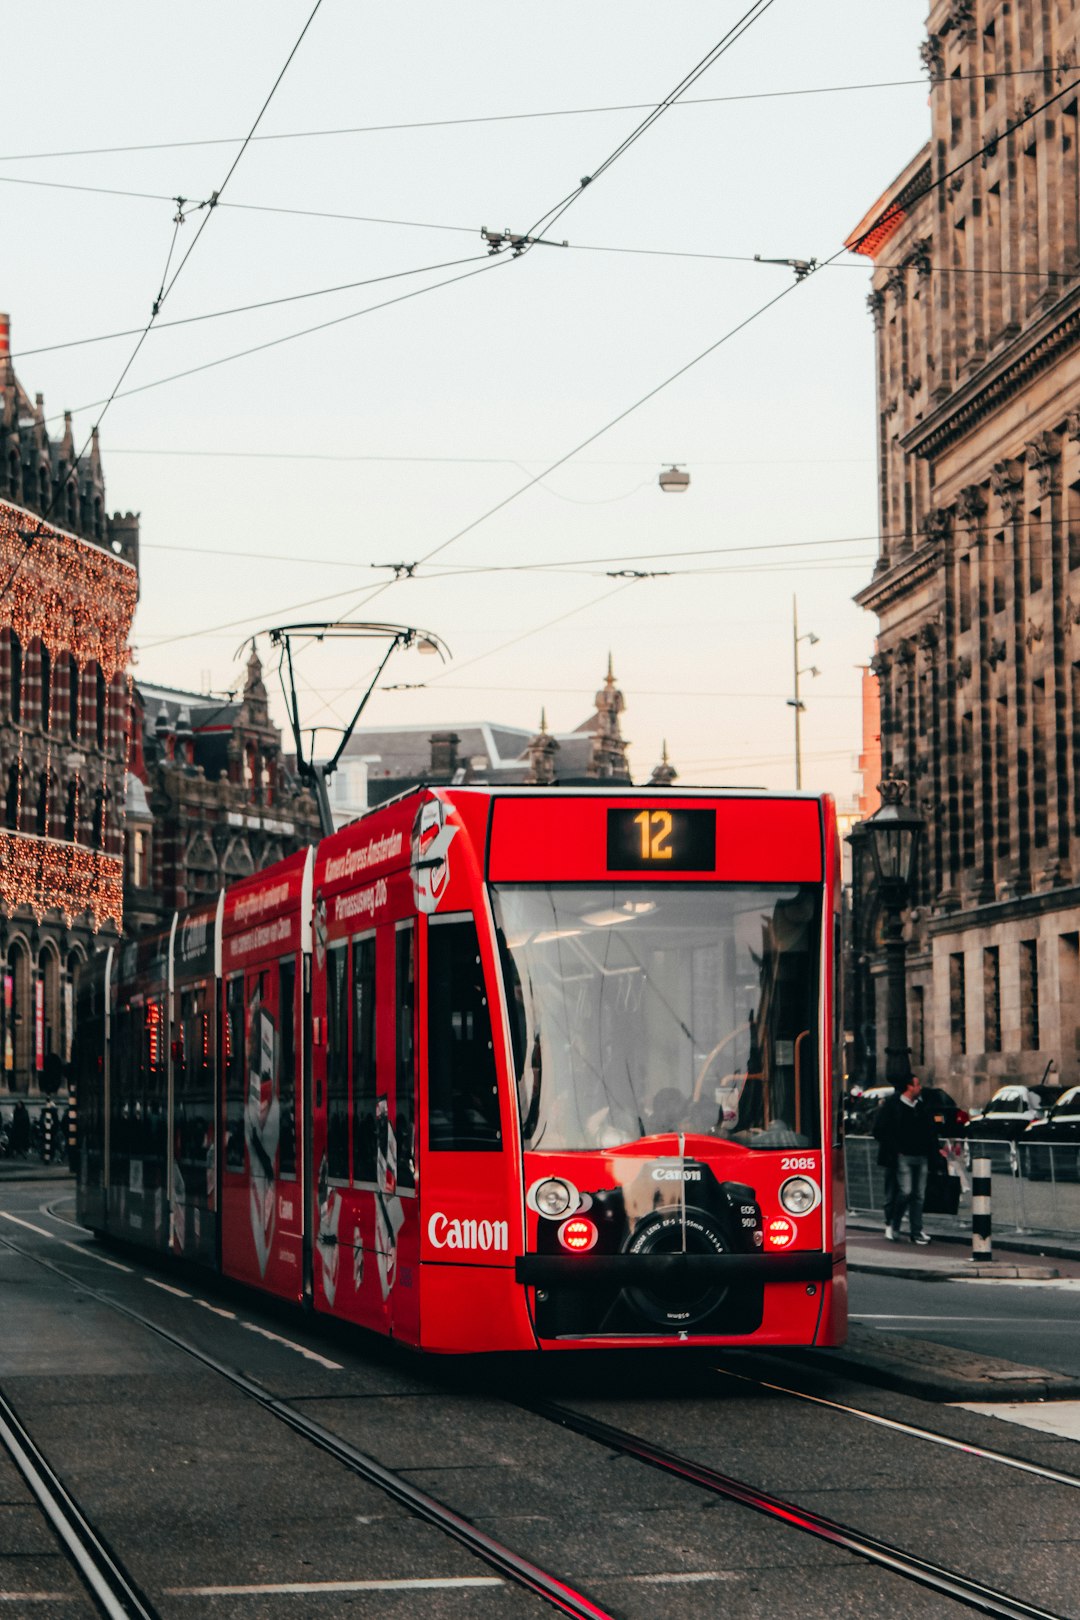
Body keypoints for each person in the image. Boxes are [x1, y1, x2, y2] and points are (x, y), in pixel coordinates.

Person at [872, 1074, 943, 1245]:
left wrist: (935, 1152)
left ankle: (916, 1231)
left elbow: (930, 1132)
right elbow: (880, 1130)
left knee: (919, 1195)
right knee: (906, 1191)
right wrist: (896, 1151)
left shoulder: (922, 1106)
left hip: (921, 1156)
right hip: (902, 1156)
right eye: (917, 1085)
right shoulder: (893, 1105)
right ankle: (894, 1224)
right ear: (909, 1087)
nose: (920, 1088)